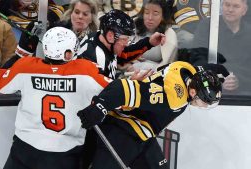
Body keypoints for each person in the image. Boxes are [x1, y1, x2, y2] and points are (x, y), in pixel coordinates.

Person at [0, 27, 112, 169]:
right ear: (67, 54)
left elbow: (1, 83)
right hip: (64, 154)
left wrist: (21, 53)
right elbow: (116, 93)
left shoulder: (25, 67)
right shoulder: (85, 71)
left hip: (25, 149)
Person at [77, 61, 230, 169]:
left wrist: (217, 71)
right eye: (204, 101)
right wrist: (100, 107)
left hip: (143, 135)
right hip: (123, 131)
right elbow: (122, 88)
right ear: (192, 92)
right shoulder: (172, 98)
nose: (204, 105)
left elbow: (201, 69)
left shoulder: (187, 70)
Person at [78, 9, 165, 79]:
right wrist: (131, 82)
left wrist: (149, 42)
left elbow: (125, 53)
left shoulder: (102, 38)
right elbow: (103, 97)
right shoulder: (94, 59)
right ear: (110, 36)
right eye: (124, 39)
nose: (126, 44)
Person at [192, 0, 251, 95]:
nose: (230, 10)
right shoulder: (207, 27)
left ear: (244, 10)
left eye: (236, 6)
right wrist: (217, 79)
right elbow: (197, 60)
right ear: (221, 6)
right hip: (210, 90)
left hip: (245, 94)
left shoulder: (249, 33)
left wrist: (239, 80)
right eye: (227, 5)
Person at [120, 0, 178, 74]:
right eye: (147, 13)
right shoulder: (132, 26)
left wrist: (142, 66)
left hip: (155, 77)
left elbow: (167, 68)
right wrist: (126, 63)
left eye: (155, 13)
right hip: (127, 74)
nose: (150, 18)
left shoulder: (169, 34)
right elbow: (119, 54)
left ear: (163, 16)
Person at [0, 0, 65, 39]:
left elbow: (57, 8)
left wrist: (47, 20)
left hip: (40, 26)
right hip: (16, 25)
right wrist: (16, 2)